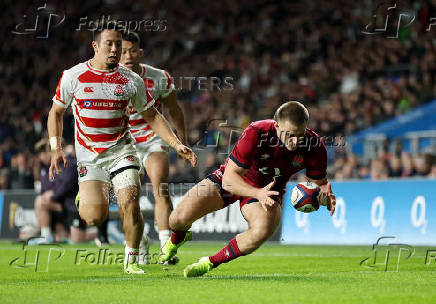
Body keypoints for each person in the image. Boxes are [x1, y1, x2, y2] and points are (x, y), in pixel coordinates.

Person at [48, 25, 197, 274]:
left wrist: (176, 143)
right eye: (110, 44)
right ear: (95, 46)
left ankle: (131, 261)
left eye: (118, 44)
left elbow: (153, 115)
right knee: (94, 217)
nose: (116, 49)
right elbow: (56, 112)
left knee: (130, 201)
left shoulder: (131, 80)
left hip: (122, 150)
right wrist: (56, 148)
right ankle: (89, 201)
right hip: (89, 155)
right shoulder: (73, 76)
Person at [159, 101, 336, 277]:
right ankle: (177, 239)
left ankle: (209, 262)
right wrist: (256, 192)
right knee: (176, 220)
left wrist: (323, 197)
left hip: (268, 190)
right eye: (290, 135)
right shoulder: (256, 132)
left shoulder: (314, 145)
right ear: (276, 126)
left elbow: (318, 184)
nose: (295, 141)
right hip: (234, 180)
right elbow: (229, 180)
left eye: (300, 134)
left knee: (262, 231)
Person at [119, 32, 186, 264]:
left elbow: (174, 110)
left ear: (140, 52)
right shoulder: (108, 80)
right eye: (122, 51)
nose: (128, 56)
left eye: (132, 51)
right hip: (124, 143)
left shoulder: (159, 77)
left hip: (152, 138)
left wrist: (181, 141)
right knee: (128, 199)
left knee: (161, 187)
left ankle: (166, 246)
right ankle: (140, 239)